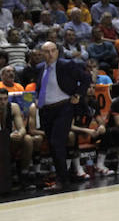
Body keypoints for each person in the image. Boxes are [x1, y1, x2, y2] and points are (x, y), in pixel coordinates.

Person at [34, 41, 91, 189]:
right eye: (47, 51)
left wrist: (78, 94)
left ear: (58, 52)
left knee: (56, 142)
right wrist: (37, 98)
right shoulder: (39, 68)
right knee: (53, 145)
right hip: (46, 110)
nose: (51, 54)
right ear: (42, 54)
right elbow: (40, 87)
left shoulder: (66, 65)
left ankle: (62, 180)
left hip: (64, 108)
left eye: (53, 50)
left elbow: (86, 78)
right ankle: (64, 175)